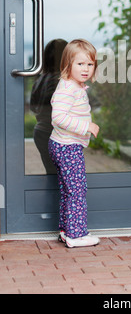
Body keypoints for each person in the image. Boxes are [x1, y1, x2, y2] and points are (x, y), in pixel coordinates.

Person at [48, 39, 100, 248]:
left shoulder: (74, 86)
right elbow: (58, 118)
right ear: (68, 65)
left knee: (68, 189)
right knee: (77, 190)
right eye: (80, 64)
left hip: (64, 145)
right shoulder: (68, 88)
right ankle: (76, 234)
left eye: (90, 64)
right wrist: (85, 126)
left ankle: (66, 230)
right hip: (67, 147)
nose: (86, 69)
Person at [30, 39, 67, 174]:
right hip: (56, 134)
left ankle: (53, 194)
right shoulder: (61, 80)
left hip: (40, 131)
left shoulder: (40, 79)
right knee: (64, 176)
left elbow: (34, 107)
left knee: (52, 173)